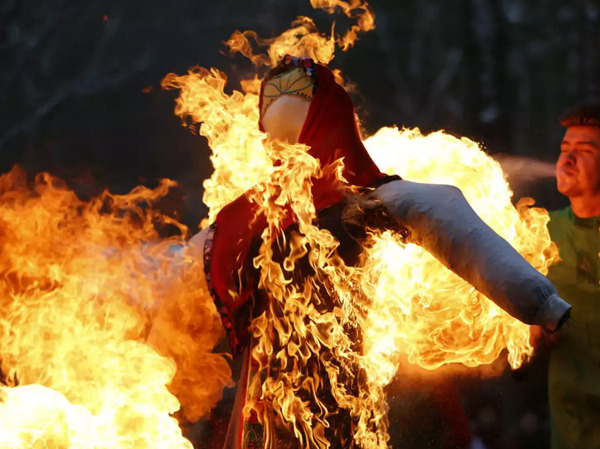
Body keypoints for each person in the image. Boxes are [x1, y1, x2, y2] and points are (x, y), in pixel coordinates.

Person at [188, 55, 571, 449]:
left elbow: (455, 229)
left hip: (329, 397)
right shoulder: (256, 212)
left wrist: (542, 304)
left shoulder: (364, 201)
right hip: (271, 400)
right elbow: (175, 271)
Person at [546, 102, 600, 449]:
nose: (567, 160)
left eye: (584, 151)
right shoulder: (540, 233)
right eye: (565, 150)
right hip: (570, 431)